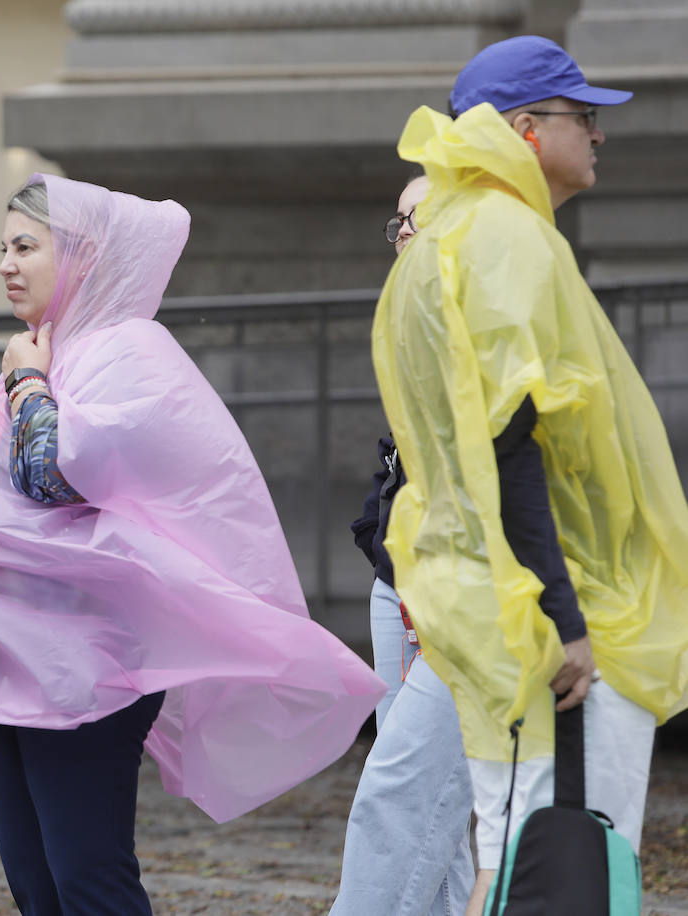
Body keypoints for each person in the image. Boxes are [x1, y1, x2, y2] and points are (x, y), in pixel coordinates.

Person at [0, 174, 385, 916]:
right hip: (10, 657)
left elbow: (51, 478)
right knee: (38, 885)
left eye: (26, 246)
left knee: (89, 880)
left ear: (83, 256)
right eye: (1, 247)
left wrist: (26, 384)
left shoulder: (128, 356)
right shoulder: (49, 354)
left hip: (89, 667)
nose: (5, 264)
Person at [371, 36, 688, 914]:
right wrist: (561, 614)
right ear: (523, 128)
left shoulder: (460, 238)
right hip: (556, 617)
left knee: (520, 852)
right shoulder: (505, 241)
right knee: (560, 857)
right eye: (579, 117)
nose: (596, 134)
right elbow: (510, 444)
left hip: (507, 603)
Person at [330, 173, 476, 916]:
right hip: (403, 579)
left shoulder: (487, 313)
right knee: (425, 809)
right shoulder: (410, 316)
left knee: (403, 795)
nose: (404, 236)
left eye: (416, 218)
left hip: (464, 595)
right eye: (398, 224)